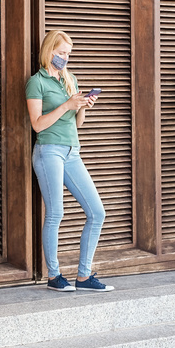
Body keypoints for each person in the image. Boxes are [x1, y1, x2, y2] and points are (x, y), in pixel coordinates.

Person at [26, 30, 113, 292]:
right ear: (49, 51)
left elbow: (78, 123)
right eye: (61, 53)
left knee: (97, 212)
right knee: (56, 213)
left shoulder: (70, 79)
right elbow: (38, 125)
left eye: (68, 54)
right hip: (48, 150)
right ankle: (54, 275)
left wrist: (82, 107)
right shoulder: (36, 82)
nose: (65, 58)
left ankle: (84, 276)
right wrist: (65, 105)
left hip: (72, 151)